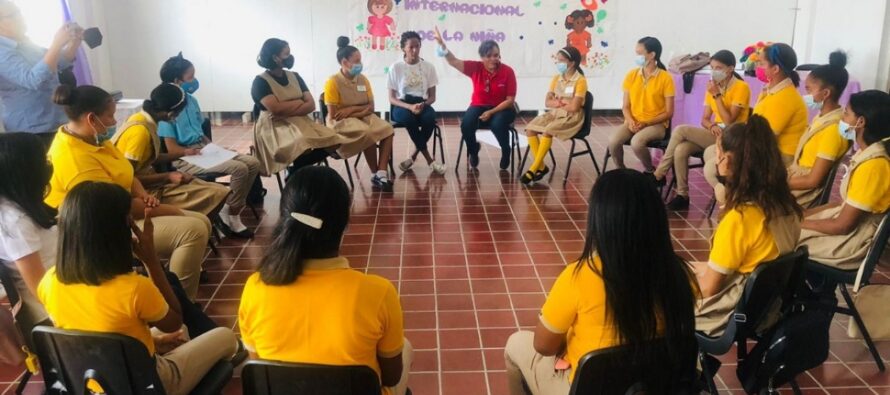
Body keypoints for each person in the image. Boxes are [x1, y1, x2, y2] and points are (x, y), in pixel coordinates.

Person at [504, 169, 697, 394]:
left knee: (516, 343)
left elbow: (543, 346)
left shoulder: (580, 275)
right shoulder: (679, 273)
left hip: (587, 387)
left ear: (600, 219)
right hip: (652, 386)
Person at [37, 181, 238, 395]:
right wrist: (151, 261)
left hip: (91, 383)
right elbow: (174, 320)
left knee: (183, 333)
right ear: (119, 231)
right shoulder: (133, 287)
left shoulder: (49, 282)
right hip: (149, 384)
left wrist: (153, 342)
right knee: (225, 336)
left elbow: (92, 336)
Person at [238, 166, 412, 395]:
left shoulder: (255, 287)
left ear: (285, 218)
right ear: (344, 225)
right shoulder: (378, 292)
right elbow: (391, 376)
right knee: (405, 347)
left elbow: (262, 366)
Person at [46, 85, 210, 301]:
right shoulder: (74, 157)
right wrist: (169, 209)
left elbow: (126, 171)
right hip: (101, 229)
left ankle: (174, 284)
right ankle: (177, 302)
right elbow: (111, 208)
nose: (115, 122)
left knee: (202, 221)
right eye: (110, 116)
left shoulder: (93, 139)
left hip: (123, 210)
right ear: (91, 119)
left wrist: (143, 194)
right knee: (193, 230)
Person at [695, 115, 802, 336]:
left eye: (717, 154)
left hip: (731, 311)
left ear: (727, 161)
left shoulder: (740, 218)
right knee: (680, 268)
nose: (715, 161)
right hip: (764, 307)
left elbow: (709, 288)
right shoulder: (785, 206)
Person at [153, 57, 261, 238]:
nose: (194, 81)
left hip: (201, 150)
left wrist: (216, 148)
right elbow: (171, 149)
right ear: (177, 80)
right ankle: (231, 216)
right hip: (184, 157)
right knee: (239, 169)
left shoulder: (191, 101)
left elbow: (199, 132)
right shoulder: (166, 106)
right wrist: (189, 151)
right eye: (190, 77)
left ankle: (227, 209)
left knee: (252, 162)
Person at [704, 43, 808, 206]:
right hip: (762, 146)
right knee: (712, 153)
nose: (757, 68)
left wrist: (731, 147)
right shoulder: (771, 90)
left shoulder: (785, 97)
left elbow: (764, 139)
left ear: (775, 69)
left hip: (777, 156)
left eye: (761, 64)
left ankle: (729, 199)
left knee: (712, 167)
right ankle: (729, 197)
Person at [798, 90, 890, 271]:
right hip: (846, 227)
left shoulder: (874, 166)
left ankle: (788, 292)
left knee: (779, 238)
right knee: (783, 227)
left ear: (861, 122)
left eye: (846, 113)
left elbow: (843, 225)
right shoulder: (866, 153)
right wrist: (802, 215)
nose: (842, 116)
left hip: (851, 242)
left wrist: (797, 223)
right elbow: (843, 205)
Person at [112, 83, 230, 220]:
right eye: (179, 113)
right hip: (144, 193)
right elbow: (129, 179)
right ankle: (199, 223)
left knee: (206, 186)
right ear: (170, 114)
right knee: (218, 192)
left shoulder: (142, 119)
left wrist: (184, 153)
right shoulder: (140, 132)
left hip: (150, 181)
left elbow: (151, 157)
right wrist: (167, 177)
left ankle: (206, 223)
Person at [650, 50, 750, 210]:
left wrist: (717, 95)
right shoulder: (712, 87)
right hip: (715, 134)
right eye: (712, 67)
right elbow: (704, 119)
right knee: (681, 149)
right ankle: (683, 195)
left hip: (732, 137)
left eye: (718, 68)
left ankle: (659, 173)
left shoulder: (741, 87)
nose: (714, 71)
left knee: (681, 130)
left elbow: (729, 121)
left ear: (731, 69)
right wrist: (712, 125)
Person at [251, 39, 354, 178]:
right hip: (275, 126)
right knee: (301, 143)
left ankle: (296, 171)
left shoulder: (295, 76)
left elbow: (311, 105)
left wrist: (287, 108)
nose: (290, 57)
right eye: (286, 54)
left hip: (300, 121)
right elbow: (276, 109)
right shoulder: (260, 82)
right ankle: (298, 174)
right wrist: (299, 102)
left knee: (334, 139)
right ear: (275, 58)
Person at [433, 27, 518, 170]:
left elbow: (510, 100)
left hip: (503, 108)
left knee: (497, 125)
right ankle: (473, 151)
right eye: (489, 56)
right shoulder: (475, 67)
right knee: (466, 125)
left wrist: (491, 112)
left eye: (496, 55)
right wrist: (443, 47)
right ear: (482, 57)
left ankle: (506, 149)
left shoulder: (508, 71)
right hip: (479, 105)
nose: (493, 59)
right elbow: (453, 61)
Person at [0, 0, 82, 148]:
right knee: (43, 170)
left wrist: (74, 41)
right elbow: (33, 80)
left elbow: (59, 63)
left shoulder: (26, 43)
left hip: (56, 119)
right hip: (32, 127)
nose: (21, 17)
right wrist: (56, 44)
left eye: (19, 12)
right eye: (13, 15)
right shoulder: (2, 52)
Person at [0, 133, 56, 333]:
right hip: (53, 315)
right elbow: (42, 290)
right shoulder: (15, 222)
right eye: (43, 160)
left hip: (67, 293)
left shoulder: (16, 206)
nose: (48, 164)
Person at [324, 36, 396, 191]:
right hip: (341, 122)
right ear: (344, 62)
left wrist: (351, 110)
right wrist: (360, 110)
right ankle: (375, 173)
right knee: (367, 133)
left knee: (388, 129)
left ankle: (381, 171)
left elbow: (371, 107)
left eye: (360, 60)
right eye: (356, 61)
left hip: (362, 115)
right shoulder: (333, 82)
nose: (360, 64)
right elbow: (334, 114)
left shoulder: (362, 79)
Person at [787, 51, 850, 208]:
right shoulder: (822, 117)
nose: (805, 94)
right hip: (793, 178)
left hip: (801, 194)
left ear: (825, 93)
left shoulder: (833, 129)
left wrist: (775, 184)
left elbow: (813, 180)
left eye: (809, 90)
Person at [521, 46, 588, 185]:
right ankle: (542, 167)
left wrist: (558, 102)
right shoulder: (556, 78)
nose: (558, 63)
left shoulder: (580, 81)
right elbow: (547, 102)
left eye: (562, 61)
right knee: (530, 129)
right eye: (557, 60)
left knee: (547, 131)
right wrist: (562, 102)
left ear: (572, 63)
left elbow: (575, 107)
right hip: (555, 113)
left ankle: (533, 168)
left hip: (572, 117)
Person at [608, 36, 675, 172]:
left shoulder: (665, 78)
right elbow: (625, 106)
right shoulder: (631, 75)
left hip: (656, 124)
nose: (636, 57)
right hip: (633, 122)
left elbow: (669, 112)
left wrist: (646, 123)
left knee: (637, 143)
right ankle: (621, 171)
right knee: (613, 142)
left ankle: (650, 171)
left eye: (639, 53)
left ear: (651, 55)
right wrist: (631, 121)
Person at [388, 31, 446, 175]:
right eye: (411, 47)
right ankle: (430, 161)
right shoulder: (395, 67)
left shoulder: (429, 67)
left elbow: (432, 97)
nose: (414, 50)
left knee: (429, 119)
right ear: (403, 48)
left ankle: (412, 157)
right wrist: (409, 107)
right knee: (409, 119)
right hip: (402, 105)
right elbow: (392, 98)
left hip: (422, 103)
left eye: (417, 46)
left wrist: (422, 105)